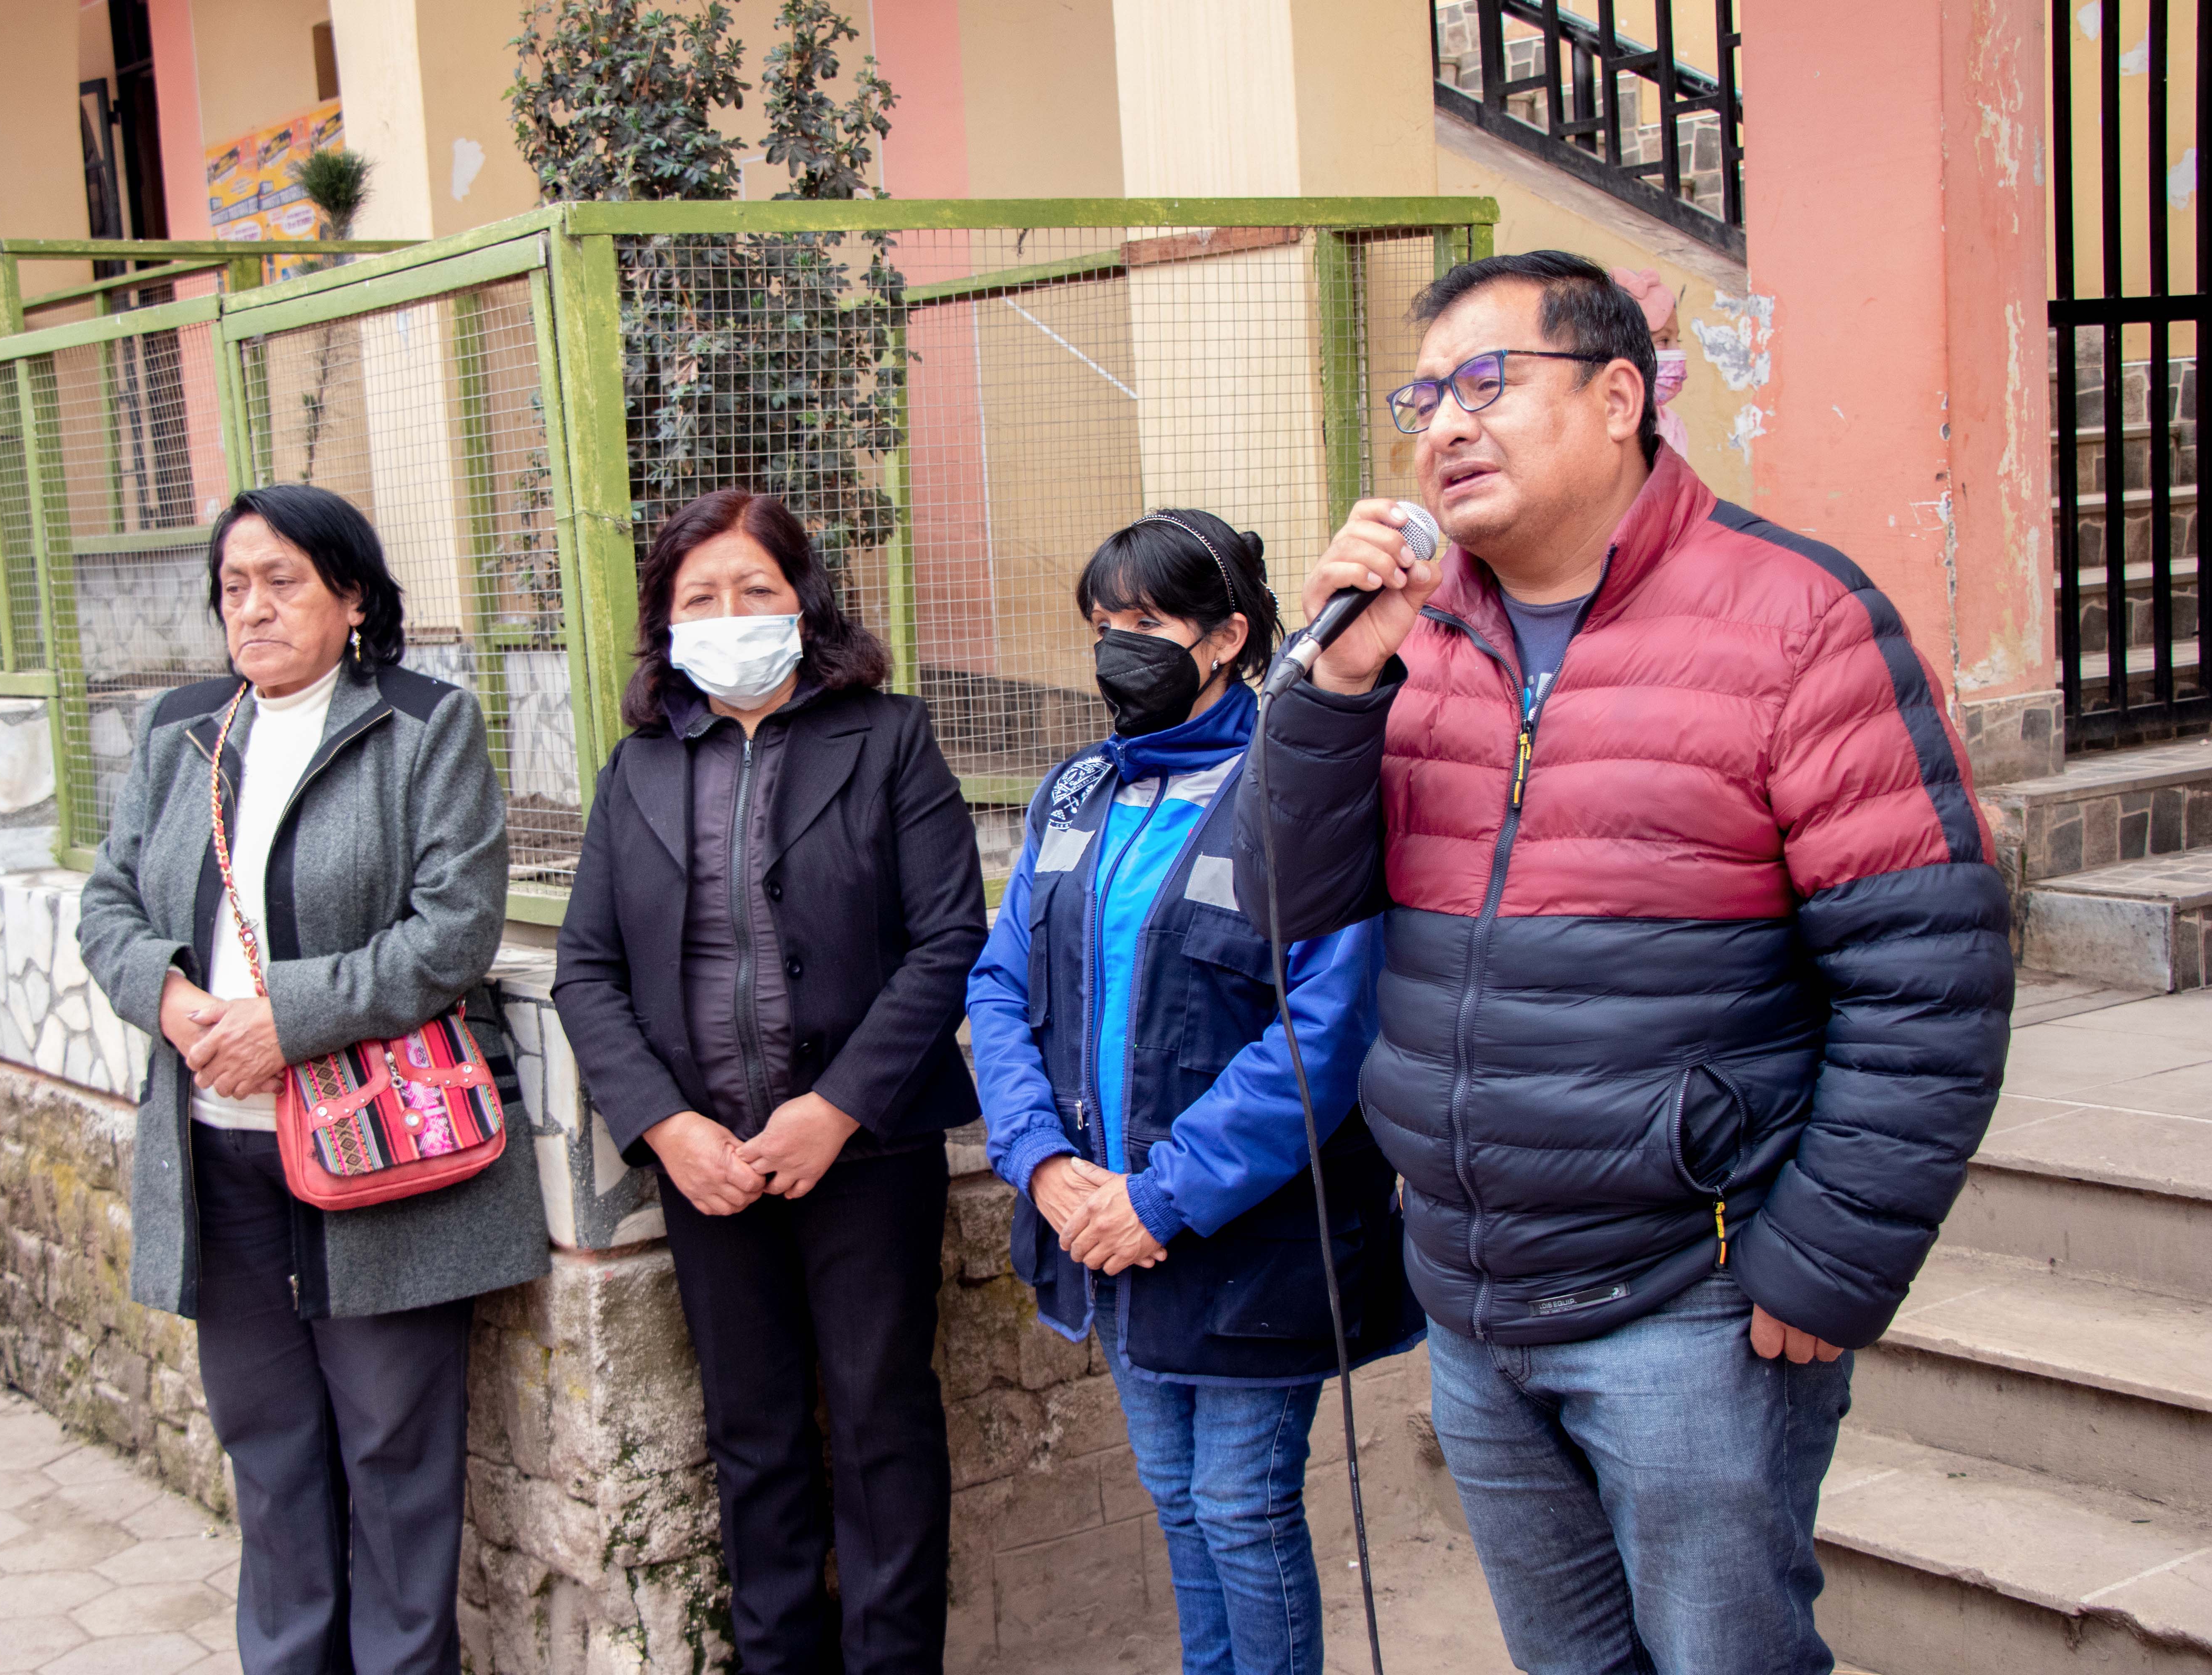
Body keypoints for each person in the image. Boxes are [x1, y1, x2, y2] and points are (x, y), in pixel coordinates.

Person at [1233, 251, 2013, 1673]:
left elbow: (1931, 985)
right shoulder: (1415, 639)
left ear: (1614, 398)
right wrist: (1332, 687)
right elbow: (1270, 899)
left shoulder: (1798, 621)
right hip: (1469, 1302)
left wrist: (1822, 1267)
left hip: (1693, 1307)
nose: (1445, 426)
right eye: (1426, 397)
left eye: (1488, 384)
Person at [78, 482, 548, 1673]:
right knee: (269, 1447)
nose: (254, 607)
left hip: (378, 1153)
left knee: (395, 1452)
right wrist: (181, 1006)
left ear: (353, 598)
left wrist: (286, 1023)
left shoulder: (422, 727)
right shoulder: (183, 731)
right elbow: (108, 906)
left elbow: (455, 931)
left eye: (283, 580)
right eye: (234, 586)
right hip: (218, 1147)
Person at [968, 509, 1420, 1675]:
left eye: (1147, 624)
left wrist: (1161, 1199)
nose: (1119, 647)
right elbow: (1000, 983)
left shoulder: (1293, 785)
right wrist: (1044, 1164)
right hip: (1095, 1220)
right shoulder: (1076, 795)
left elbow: (1324, 1027)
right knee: (1175, 1495)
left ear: (1224, 638)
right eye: (1102, 626)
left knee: (1240, 1504)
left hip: (1240, 1230)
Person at [551, 488, 986, 1675]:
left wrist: (835, 1107)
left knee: (883, 1422)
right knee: (751, 1438)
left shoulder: (888, 738)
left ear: (806, 603)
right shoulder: (637, 767)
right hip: (709, 1165)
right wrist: (667, 1126)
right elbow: (586, 971)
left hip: (866, 1153)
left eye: (758, 591)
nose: (731, 615)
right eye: (702, 598)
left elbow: (951, 940)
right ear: (667, 622)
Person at [1611, 266, 1689, 455]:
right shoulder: (1597, 428)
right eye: (1663, 341)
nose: (1677, 353)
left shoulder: (1671, 428)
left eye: (1676, 341)